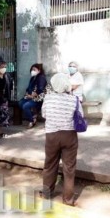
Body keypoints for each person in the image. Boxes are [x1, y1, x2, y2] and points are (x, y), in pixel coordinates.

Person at [41, 73, 81, 206]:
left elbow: (44, 114)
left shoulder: (48, 98)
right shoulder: (74, 99)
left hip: (52, 135)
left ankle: (47, 194)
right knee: (69, 169)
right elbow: (81, 115)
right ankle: (68, 200)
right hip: (69, 135)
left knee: (50, 165)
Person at [19, 63, 48, 128]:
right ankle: (34, 116)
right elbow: (28, 87)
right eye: (32, 69)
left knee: (25, 106)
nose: (32, 71)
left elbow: (40, 90)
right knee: (20, 103)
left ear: (39, 71)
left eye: (34, 69)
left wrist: (32, 96)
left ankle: (31, 121)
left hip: (38, 99)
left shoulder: (41, 78)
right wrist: (27, 93)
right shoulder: (33, 78)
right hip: (30, 97)